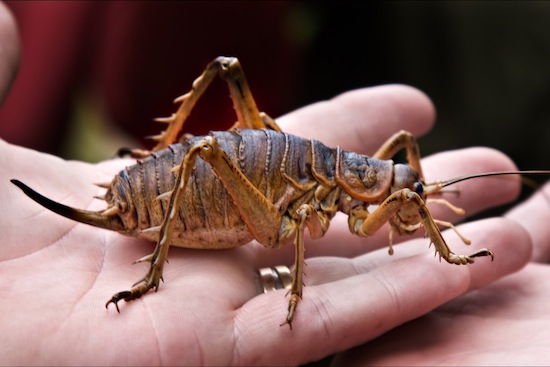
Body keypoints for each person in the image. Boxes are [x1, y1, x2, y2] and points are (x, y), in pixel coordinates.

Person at [1, 3, 550, 366]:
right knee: (217, 134)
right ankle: (150, 277)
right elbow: (305, 223)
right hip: (201, 187)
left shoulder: (363, 175)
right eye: (407, 192)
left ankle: (160, 159)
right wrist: (297, 287)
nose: (410, 199)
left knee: (243, 128)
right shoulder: (362, 194)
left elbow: (404, 151)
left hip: (258, 165)